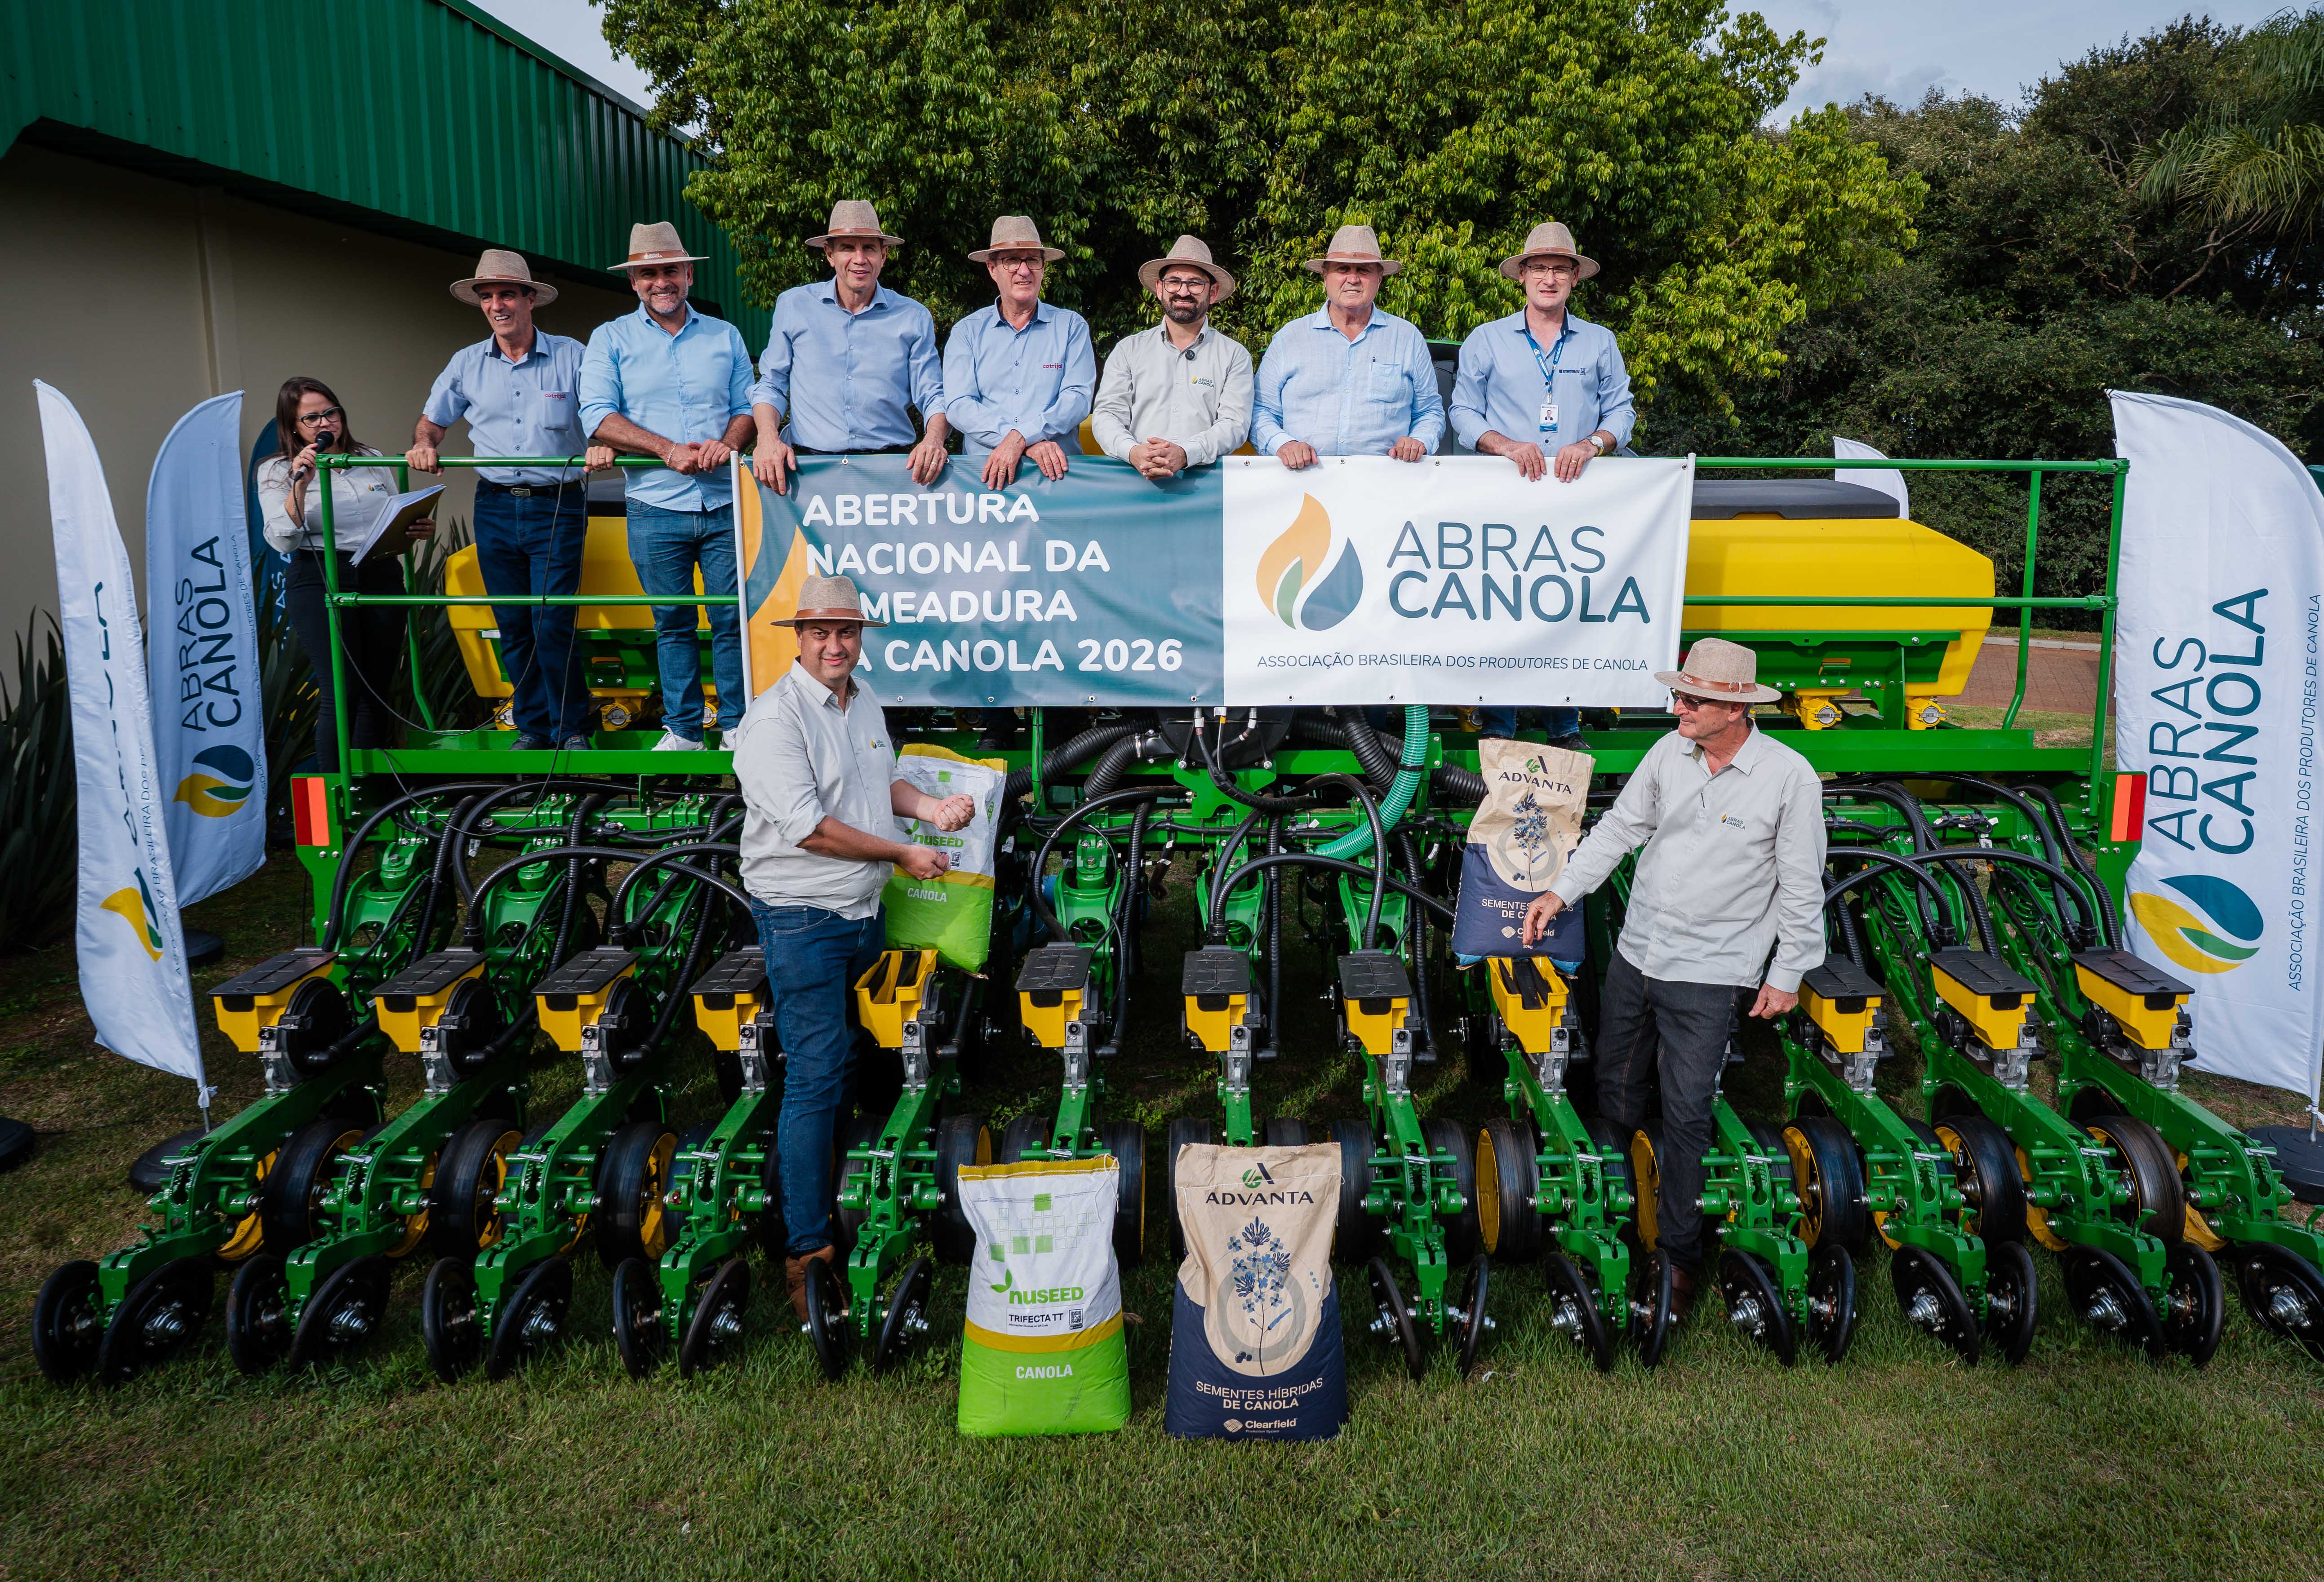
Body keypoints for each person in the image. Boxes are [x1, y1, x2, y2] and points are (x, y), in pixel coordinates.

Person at [1519, 638, 1825, 1322]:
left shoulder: (1787, 778)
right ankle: (1619, 1219)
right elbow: (1617, 830)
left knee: (1687, 1110)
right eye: (1677, 694)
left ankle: (1679, 1255)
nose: (1676, 707)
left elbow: (1802, 888)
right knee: (1614, 1086)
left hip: (1711, 970)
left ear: (1735, 709)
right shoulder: (1668, 753)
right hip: (1637, 955)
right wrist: (1559, 894)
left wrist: (1787, 972)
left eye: (1692, 699)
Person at [729, 575, 977, 1321]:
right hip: (804, 917)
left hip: (860, 912)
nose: (834, 646)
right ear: (798, 639)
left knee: (851, 1058)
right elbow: (811, 828)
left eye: (846, 633)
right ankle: (808, 1255)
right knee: (814, 1073)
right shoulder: (774, 722)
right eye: (820, 634)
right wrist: (901, 856)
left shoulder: (861, 699)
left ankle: (850, 1197)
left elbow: (875, 786)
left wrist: (928, 807)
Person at [408, 249, 612, 753]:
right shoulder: (466, 363)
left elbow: (603, 416)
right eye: (487, 297)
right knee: (513, 623)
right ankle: (531, 729)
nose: (497, 305)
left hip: (558, 502)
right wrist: (424, 444)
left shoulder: (573, 355)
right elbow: (432, 422)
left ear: (529, 300)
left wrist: (603, 444)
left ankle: (570, 729)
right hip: (495, 504)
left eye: (505, 294)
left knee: (551, 620)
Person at [1451, 221, 1635, 747]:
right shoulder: (1485, 339)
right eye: (1539, 268)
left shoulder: (1600, 342)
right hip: (1506, 498)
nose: (1548, 278)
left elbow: (1621, 410)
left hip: (1578, 498)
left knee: (1568, 606)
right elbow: (1461, 410)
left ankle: (1564, 725)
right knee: (1503, 605)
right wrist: (1504, 445)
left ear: (1574, 278)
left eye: (1559, 268)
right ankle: (1499, 723)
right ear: (1522, 276)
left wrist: (1594, 443)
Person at [578, 221, 755, 751]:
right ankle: (681, 730)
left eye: (671, 271)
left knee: (732, 618)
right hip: (655, 503)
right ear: (634, 280)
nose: (662, 281)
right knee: (672, 621)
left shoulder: (725, 336)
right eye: (649, 273)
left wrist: (727, 442)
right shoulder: (610, 338)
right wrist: (666, 450)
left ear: (687, 275)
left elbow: (748, 408)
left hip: (726, 501)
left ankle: (738, 726)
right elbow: (596, 414)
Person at [256, 377, 434, 773]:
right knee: (341, 688)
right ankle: (337, 794)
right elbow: (283, 540)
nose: (325, 423)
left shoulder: (370, 457)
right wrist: (301, 480)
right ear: (294, 426)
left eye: (331, 413)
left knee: (376, 689)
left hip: (379, 571)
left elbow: (390, 517)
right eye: (312, 417)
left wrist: (415, 530)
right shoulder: (276, 470)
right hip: (321, 576)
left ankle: (372, 791)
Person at [749, 200, 950, 493]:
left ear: (884, 255)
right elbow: (771, 385)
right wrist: (767, 438)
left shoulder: (913, 316)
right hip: (809, 472)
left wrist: (933, 440)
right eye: (847, 248)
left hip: (891, 473)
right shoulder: (794, 306)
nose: (859, 258)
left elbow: (933, 393)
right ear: (830, 255)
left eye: (869, 248)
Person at [1252, 223, 1444, 469]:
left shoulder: (1407, 338)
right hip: (1302, 484)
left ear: (1379, 278)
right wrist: (1283, 444)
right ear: (1325, 276)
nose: (1352, 279)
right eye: (1342, 269)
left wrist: (1419, 440)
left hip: (1387, 483)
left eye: (1363, 270)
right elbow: (1261, 410)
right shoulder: (1289, 337)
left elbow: (1430, 412)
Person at [942, 215, 1095, 491]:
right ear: (992, 269)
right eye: (1012, 260)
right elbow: (959, 405)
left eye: (1032, 260)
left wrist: (1021, 438)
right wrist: (1018, 439)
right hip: (984, 478)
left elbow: (1078, 399)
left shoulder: (1072, 326)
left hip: (1059, 479)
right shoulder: (967, 331)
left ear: (1043, 267)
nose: (1024, 271)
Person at [1090, 235, 1253, 479]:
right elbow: (1107, 415)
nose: (1183, 292)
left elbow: (1234, 424)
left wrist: (1186, 453)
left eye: (1195, 283)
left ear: (1213, 292)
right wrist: (1134, 452)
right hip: (1133, 483)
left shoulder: (1234, 356)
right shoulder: (1129, 350)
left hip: (1205, 488)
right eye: (1173, 282)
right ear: (1159, 289)